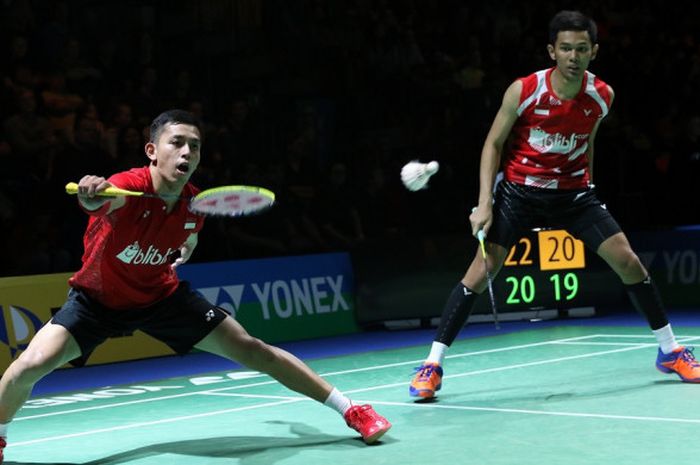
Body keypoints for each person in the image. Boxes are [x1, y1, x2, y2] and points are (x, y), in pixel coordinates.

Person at [0, 110, 391, 462]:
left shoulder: (193, 204)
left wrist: (187, 246)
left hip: (162, 298)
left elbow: (189, 234)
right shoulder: (126, 187)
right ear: (152, 150)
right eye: (177, 143)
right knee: (29, 367)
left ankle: (352, 409)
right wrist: (90, 197)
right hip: (97, 302)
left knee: (254, 350)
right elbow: (99, 205)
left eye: (195, 146)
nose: (187, 152)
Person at [409, 10, 700, 399]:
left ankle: (670, 350)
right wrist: (484, 204)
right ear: (552, 51)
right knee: (482, 270)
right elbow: (493, 144)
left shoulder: (602, 96)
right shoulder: (524, 90)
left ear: (593, 51)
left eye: (581, 49)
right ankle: (432, 364)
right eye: (565, 48)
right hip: (520, 192)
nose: (573, 56)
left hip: (574, 195)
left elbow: (588, 138)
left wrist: (590, 183)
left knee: (628, 261)